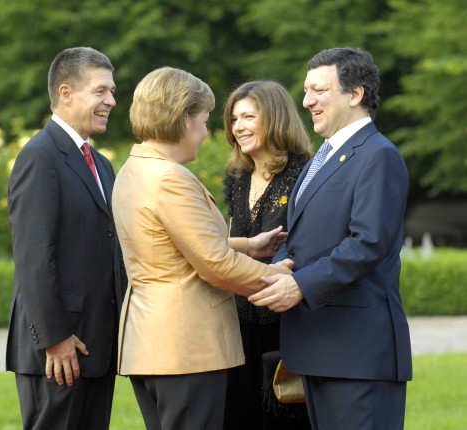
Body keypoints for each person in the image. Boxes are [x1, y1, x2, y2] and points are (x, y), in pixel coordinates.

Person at [111, 67, 293, 430]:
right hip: (186, 348)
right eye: (204, 120)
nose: (206, 132)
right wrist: (276, 277)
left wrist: (247, 245)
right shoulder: (170, 179)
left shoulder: (136, 168)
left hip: (151, 342)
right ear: (183, 119)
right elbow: (215, 264)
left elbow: (168, 242)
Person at [249, 48, 412, 430]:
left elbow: (368, 242)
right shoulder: (321, 156)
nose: (306, 101)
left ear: (355, 94)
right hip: (319, 348)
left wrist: (300, 286)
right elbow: (299, 233)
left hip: (357, 354)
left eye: (318, 90)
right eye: (306, 91)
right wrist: (281, 268)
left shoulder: (378, 155)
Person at [6, 47, 127, 430]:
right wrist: (55, 338)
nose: (111, 100)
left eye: (111, 91)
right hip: (59, 351)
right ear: (66, 93)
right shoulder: (39, 157)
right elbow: (33, 258)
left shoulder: (101, 164)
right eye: (101, 91)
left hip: (94, 345)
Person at [222, 80, 312, 430]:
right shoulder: (238, 176)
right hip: (238, 320)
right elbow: (232, 239)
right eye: (233, 119)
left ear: (274, 118)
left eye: (248, 117)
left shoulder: (304, 172)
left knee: (284, 416)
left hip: (285, 319)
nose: (238, 127)